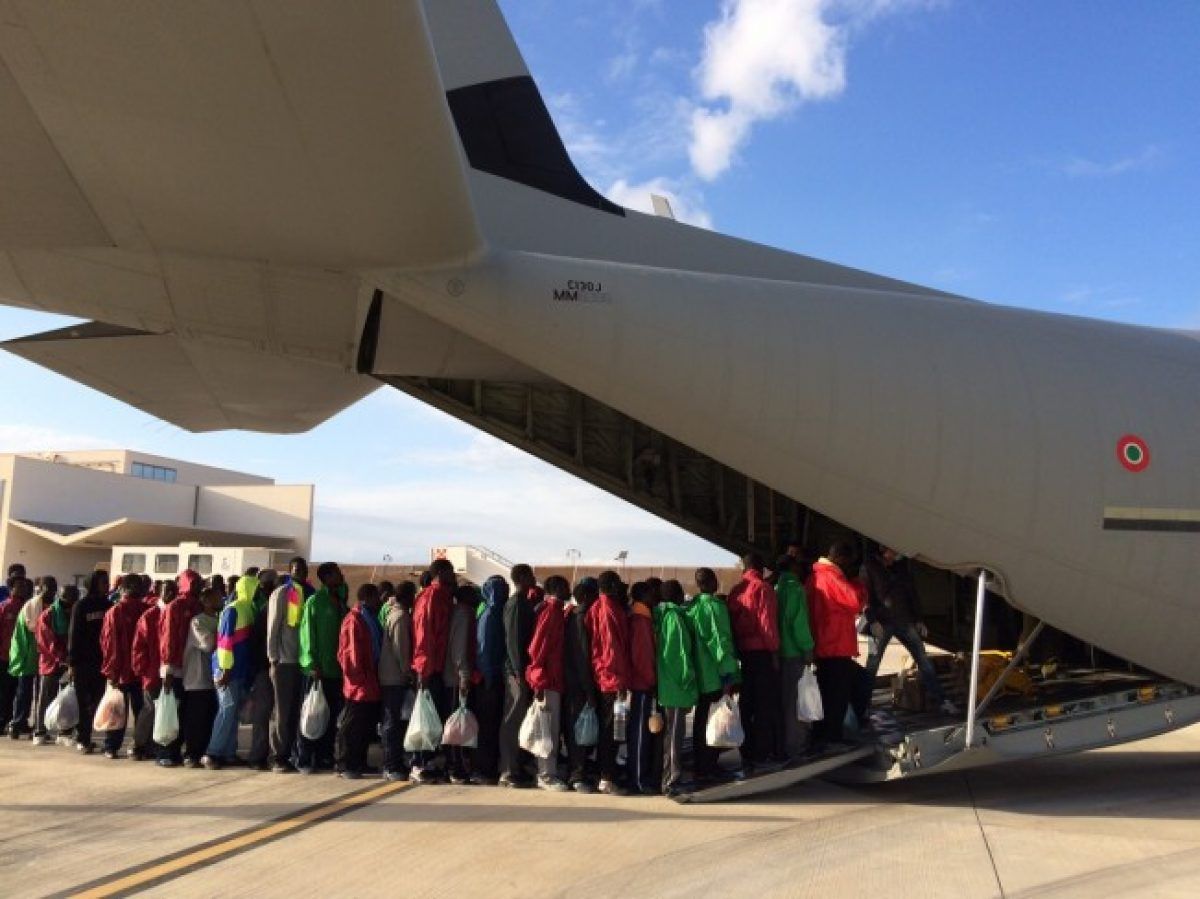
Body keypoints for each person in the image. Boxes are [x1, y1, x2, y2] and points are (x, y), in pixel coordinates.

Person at [864, 545, 956, 715]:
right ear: (884, 550)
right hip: (883, 622)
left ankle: (942, 700)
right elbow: (866, 595)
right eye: (893, 551)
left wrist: (919, 619)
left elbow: (911, 592)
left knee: (923, 659)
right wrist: (872, 620)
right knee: (873, 664)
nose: (897, 555)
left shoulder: (900, 568)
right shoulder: (870, 567)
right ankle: (862, 705)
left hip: (903, 619)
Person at [806, 542, 867, 747]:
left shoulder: (814, 576)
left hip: (822, 645)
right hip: (836, 644)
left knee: (825, 692)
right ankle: (833, 736)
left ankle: (821, 734)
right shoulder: (832, 576)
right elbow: (855, 602)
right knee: (840, 693)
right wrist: (859, 582)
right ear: (841, 558)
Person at [726, 553, 781, 771]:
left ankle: (745, 749)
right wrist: (774, 651)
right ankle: (762, 752)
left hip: (743, 653)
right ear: (761, 567)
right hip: (761, 653)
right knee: (764, 704)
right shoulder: (763, 588)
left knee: (746, 702)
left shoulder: (736, 590)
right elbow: (767, 623)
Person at [686, 568, 739, 783]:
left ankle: (701, 764)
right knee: (715, 722)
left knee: (701, 721)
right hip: (714, 675)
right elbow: (720, 641)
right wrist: (729, 674)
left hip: (699, 675)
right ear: (710, 582)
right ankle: (708, 766)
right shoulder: (715, 607)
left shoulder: (692, 608)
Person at [203, 573, 260, 769]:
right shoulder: (233, 609)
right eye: (256, 588)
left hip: (238, 671)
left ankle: (228, 752)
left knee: (233, 712)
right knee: (226, 710)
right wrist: (225, 669)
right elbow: (225, 642)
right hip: (226, 669)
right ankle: (212, 752)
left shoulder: (247, 609)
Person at [296, 562, 348, 773]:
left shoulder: (340, 602)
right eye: (336, 573)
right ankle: (305, 757)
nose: (341, 576)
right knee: (311, 714)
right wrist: (310, 663)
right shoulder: (315, 602)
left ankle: (325, 755)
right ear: (327, 577)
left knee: (330, 715)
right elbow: (307, 635)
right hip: (319, 670)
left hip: (336, 669)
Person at [266, 557, 314, 773]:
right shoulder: (282, 594)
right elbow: (273, 627)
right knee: (282, 711)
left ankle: (292, 753)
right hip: (284, 660)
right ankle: (278, 755)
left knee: (295, 710)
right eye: (297, 569)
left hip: (301, 661)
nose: (301, 573)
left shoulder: (308, 593)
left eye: (304, 570)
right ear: (290, 570)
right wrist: (273, 657)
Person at [586, 570, 631, 795]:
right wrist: (620, 680)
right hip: (611, 678)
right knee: (611, 730)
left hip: (603, 675)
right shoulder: (609, 609)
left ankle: (605, 774)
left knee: (610, 729)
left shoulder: (596, 607)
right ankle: (607, 777)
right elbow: (612, 648)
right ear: (612, 586)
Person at [411, 559, 455, 782]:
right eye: (450, 571)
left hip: (436, 667)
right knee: (425, 719)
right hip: (430, 668)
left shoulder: (442, 596)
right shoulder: (431, 597)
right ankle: (419, 763)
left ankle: (428, 761)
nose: (454, 574)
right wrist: (423, 669)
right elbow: (423, 634)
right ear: (440, 573)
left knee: (434, 717)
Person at [335, 583, 383, 779]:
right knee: (353, 725)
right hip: (359, 683)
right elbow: (351, 653)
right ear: (368, 598)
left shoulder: (368, 618)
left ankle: (359, 761)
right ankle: (346, 763)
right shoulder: (355, 620)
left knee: (364, 725)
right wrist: (359, 678)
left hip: (368, 680)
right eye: (376, 598)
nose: (379, 602)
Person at [499, 563, 540, 788]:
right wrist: (518, 673)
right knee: (512, 720)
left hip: (520, 670)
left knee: (519, 718)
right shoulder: (516, 604)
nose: (534, 578)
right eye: (531, 575)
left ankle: (516, 766)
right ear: (523, 577)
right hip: (516, 672)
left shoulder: (524, 602)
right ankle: (507, 771)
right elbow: (514, 642)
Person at [655, 580, 697, 797]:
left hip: (669, 685)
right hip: (677, 686)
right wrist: (689, 681)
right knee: (674, 735)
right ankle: (671, 780)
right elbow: (679, 655)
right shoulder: (674, 618)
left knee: (672, 733)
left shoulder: (663, 615)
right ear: (678, 595)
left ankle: (670, 777)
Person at [526, 575, 569, 791]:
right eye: (565, 586)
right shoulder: (551, 612)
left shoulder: (556, 611)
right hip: (548, 680)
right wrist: (539, 681)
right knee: (547, 730)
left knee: (550, 728)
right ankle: (545, 774)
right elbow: (537, 648)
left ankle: (546, 770)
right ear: (557, 589)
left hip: (552, 679)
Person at [99, 577, 148, 759]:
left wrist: (111, 670)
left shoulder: (115, 611)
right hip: (140, 671)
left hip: (120, 670)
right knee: (141, 711)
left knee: (117, 710)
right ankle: (139, 746)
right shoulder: (146, 610)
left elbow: (109, 644)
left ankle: (112, 746)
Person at [773, 555, 816, 763]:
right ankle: (796, 747)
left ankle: (781, 745)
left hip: (779, 654)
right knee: (795, 704)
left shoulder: (775, 589)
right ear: (792, 567)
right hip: (793, 654)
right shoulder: (795, 589)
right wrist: (808, 648)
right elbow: (798, 622)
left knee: (782, 701)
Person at [159, 570, 202, 766]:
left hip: (193, 668)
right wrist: (168, 668)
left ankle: (185, 750)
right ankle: (168, 752)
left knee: (188, 712)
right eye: (193, 583)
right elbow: (168, 638)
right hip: (175, 668)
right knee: (173, 711)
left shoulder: (199, 605)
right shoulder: (175, 606)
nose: (197, 586)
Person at [131, 579, 175, 764]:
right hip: (152, 670)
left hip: (170, 671)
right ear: (159, 592)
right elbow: (138, 645)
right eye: (167, 591)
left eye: (174, 591)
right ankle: (139, 744)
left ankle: (157, 745)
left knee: (164, 709)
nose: (171, 595)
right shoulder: (150, 616)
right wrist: (142, 668)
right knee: (149, 709)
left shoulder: (176, 612)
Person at [67, 570, 110, 754]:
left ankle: (90, 735)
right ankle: (82, 738)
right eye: (102, 582)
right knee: (83, 702)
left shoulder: (109, 605)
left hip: (102, 662)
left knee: (98, 701)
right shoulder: (81, 606)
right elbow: (73, 635)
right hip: (83, 663)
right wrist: (72, 662)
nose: (106, 585)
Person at [563, 577, 599, 793]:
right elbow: (582, 657)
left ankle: (579, 771)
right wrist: (589, 690)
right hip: (578, 685)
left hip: (574, 683)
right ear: (585, 596)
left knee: (579, 730)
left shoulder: (573, 616)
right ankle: (576, 775)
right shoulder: (579, 618)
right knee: (578, 731)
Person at [473, 575, 508, 784]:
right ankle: (482, 769)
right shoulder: (489, 615)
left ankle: (489, 766)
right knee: (486, 726)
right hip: (488, 679)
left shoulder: (498, 613)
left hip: (495, 676)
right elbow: (483, 649)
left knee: (493, 725)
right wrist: (487, 675)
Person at [379, 580, 415, 782]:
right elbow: (401, 649)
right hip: (394, 677)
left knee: (393, 721)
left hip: (391, 676)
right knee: (392, 722)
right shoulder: (401, 617)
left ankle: (393, 762)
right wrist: (407, 672)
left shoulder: (393, 613)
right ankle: (390, 764)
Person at [444, 584, 480, 784]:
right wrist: (464, 675)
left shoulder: (458, 612)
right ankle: (455, 767)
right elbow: (460, 649)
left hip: (454, 675)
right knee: (457, 726)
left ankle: (455, 764)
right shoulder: (464, 615)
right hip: (457, 678)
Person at [181, 587, 221, 767]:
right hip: (197, 679)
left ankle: (205, 751)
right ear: (205, 601)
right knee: (195, 719)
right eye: (215, 598)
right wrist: (225, 635)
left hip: (214, 679)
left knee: (209, 718)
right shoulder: (197, 622)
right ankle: (191, 753)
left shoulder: (220, 620)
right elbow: (208, 644)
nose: (220, 600)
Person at [34, 584, 78, 746]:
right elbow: (47, 642)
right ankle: (40, 731)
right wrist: (63, 658)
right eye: (67, 600)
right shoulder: (48, 616)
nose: (70, 604)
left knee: (68, 700)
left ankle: (65, 731)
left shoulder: (75, 613)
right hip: (51, 662)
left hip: (70, 663)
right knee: (46, 697)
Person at [626, 581, 658, 794]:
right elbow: (642, 656)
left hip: (641, 682)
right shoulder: (640, 620)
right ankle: (637, 779)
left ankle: (639, 776)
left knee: (641, 733)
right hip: (641, 684)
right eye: (651, 593)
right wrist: (651, 681)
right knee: (639, 734)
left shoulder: (641, 617)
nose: (655, 597)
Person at [246, 567, 278, 771]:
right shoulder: (262, 609)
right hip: (264, 667)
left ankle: (266, 753)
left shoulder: (265, 607)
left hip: (269, 665)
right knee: (263, 713)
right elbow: (256, 642)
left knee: (271, 713)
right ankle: (258, 755)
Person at [5, 577, 38, 738]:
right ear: (11, 588)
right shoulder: (5, 607)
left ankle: (20, 721)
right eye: (19, 586)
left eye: (25, 586)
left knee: (23, 692)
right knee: (8, 692)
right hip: (6, 656)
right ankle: (10, 721)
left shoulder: (30, 606)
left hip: (25, 656)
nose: (23, 589)